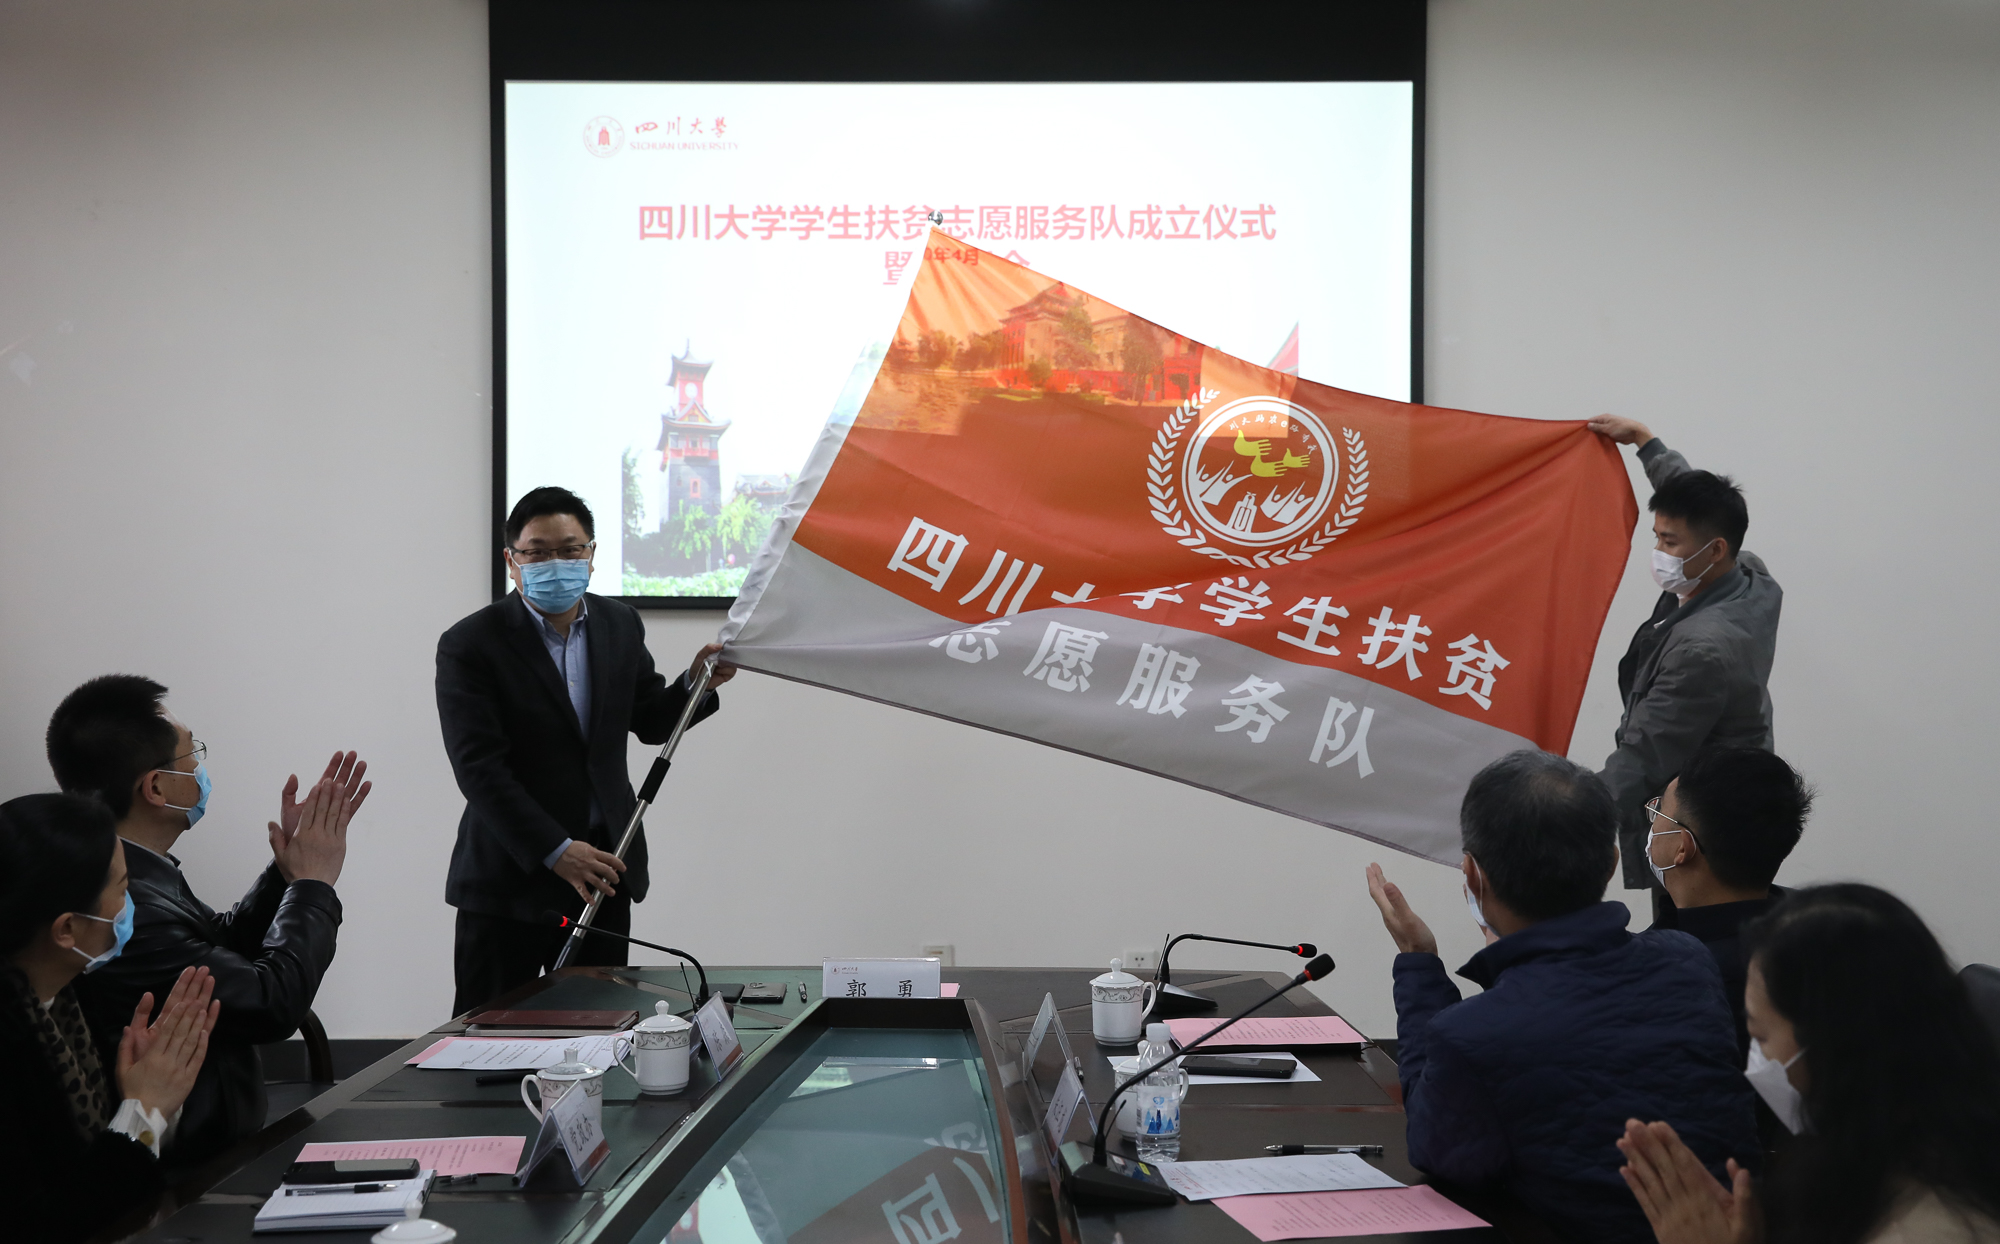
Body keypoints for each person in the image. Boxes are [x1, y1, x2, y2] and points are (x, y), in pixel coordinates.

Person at [1367, 749, 1757, 1243]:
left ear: (1472, 875)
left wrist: (1418, 962)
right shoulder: (1688, 960)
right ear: (1612, 863)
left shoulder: (1468, 1034)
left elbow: (1437, 1149)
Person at [45, 674, 370, 1169]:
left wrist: (284, 875)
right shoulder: (123, 911)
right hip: (184, 1169)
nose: (200, 768)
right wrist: (313, 885)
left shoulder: (139, 874)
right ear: (155, 786)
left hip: (216, 1139)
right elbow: (269, 1003)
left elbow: (217, 947)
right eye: (191, 755)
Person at [437, 485, 734, 1015]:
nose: (556, 563)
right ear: (511, 561)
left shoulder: (619, 624)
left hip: (602, 870)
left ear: (592, 554)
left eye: (570, 549)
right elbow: (479, 769)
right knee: (491, 1036)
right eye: (538, 552)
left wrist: (696, 682)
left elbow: (649, 718)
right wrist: (557, 850)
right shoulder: (470, 643)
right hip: (510, 880)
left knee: (599, 1029)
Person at [1619, 884, 2000, 1244]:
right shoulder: (1880, 1146)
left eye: (1761, 1036)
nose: (1756, 1059)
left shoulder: (1928, 1228)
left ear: (1830, 1044)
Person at [0, 792, 221, 1243]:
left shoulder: (70, 992)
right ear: (67, 929)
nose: (129, 904)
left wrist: (149, 1099)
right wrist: (143, 1111)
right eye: (122, 889)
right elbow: (46, 1222)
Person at [1588, 415, 1783, 912]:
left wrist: (1569, 817)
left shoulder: (1701, 651)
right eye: (1656, 536)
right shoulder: (1748, 574)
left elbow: (1643, 755)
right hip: (1738, 800)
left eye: (1669, 542)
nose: (1658, 552)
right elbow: (1694, 498)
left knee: (1695, 936)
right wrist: (1646, 442)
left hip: (1702, 833)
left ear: (1714, 550)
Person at [1643, 746, 1813, 1052]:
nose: (1652, 825)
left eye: (1659, 812)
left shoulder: (1674, 981)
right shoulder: (1815, 940)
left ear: (1682, 847)